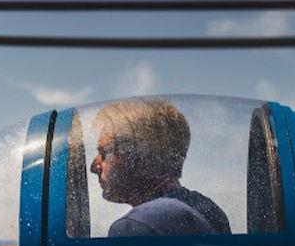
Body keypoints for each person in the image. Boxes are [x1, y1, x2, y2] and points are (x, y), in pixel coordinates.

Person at [90, 99, 231, 237]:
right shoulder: (207, 208)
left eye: (106, 152)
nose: (94, 167)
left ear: (142, 156)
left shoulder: (140, 225)